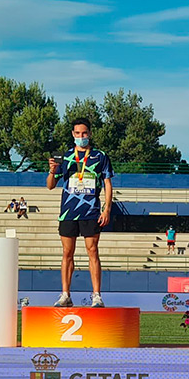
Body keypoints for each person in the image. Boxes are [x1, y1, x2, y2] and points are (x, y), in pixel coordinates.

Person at [47, 117, 114, 308]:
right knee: (67, 252)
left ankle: (96, 295)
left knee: (92, 251)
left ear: (90, 134)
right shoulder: (65, 157)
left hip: (91, 211)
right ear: (72, 135)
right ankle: (65, 294)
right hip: (68, 212)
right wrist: (52, 171)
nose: (81, 136)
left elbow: (108, 183)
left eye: (84, 133)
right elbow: (50, 186)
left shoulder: (100, 156)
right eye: (77, 133)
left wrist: (107, 208)